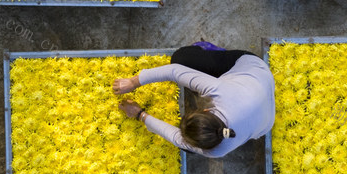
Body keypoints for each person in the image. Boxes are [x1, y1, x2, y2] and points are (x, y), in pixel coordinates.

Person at [112, 42, 275, 158]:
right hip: (252, 69)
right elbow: (175, 71)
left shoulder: (218, 151)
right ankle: (215, 53)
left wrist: (141, 114)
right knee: (181, 59)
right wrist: (134, 82)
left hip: (266, 114)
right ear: (206, 110)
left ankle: (212, 59)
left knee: (188, 148)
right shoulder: (219, 91)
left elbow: (177, 138)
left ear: (206, 109)